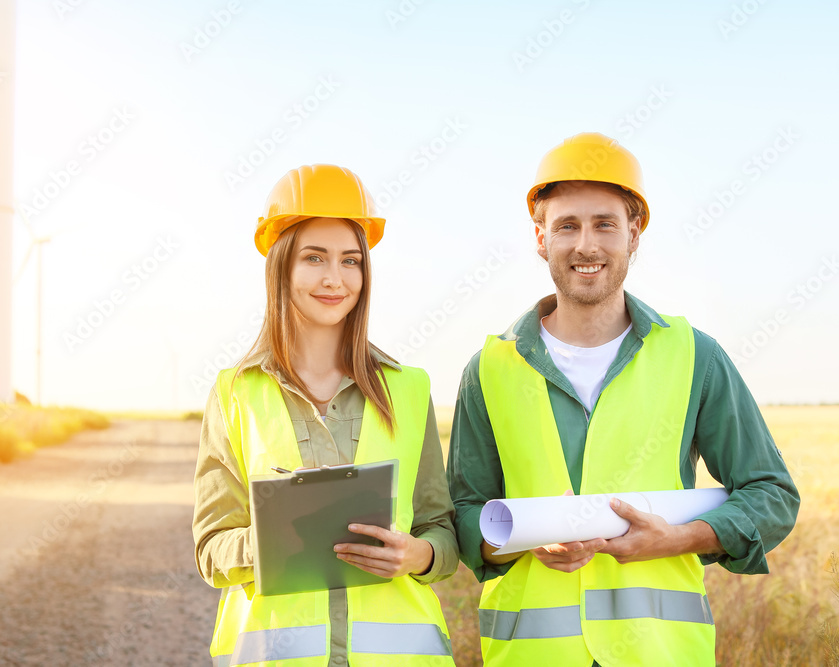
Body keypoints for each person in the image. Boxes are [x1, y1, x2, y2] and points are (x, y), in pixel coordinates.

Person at [447, 133, 800, 666]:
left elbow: (771, 494)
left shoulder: (694, 357)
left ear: (634, 233)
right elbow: (464, 515)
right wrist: (522, 539)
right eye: (567, 225)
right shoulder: (489, 369)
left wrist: (678, 538)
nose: (586, 244)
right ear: (540, 237)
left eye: (605, 224)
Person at [193, 164, 459, 666]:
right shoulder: (234, 393)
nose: (335, 278)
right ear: (281, 267)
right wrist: (277, 534)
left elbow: (439, 530)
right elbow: (211, 551)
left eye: (350, 260)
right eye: (314, 258)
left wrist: (417, 555)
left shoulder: (407, 388)